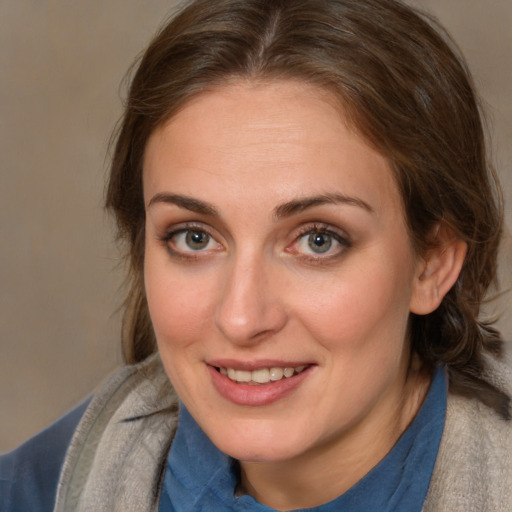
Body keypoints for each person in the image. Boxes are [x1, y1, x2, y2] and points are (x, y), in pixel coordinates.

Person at [1, 0, 510, 510]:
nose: (242, 318)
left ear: (432, 263)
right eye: (194, 237)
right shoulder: (34, 492)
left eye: (318, 240)